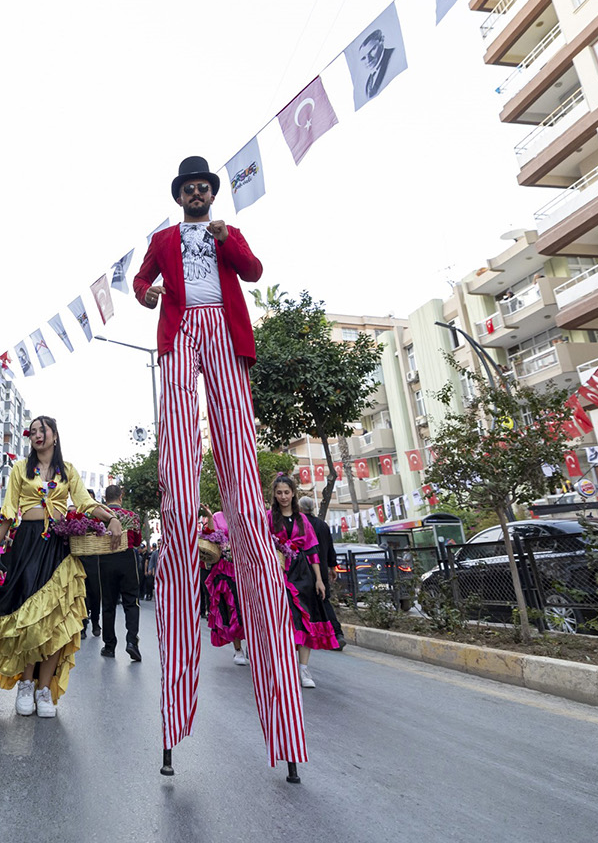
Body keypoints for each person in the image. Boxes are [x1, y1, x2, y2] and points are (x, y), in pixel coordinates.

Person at [134, 156, 306, 781]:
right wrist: (146, 292)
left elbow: (256, 274)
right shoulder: (162, 240)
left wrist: (231, 240)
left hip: (227, 337)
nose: (198, 193)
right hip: (180, 333)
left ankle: (282, 719)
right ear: (179, 195)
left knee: (237, 451)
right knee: (179, 463)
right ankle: (174, 716)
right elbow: (141, 282)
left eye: (205, 186)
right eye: (190, 188)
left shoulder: (226, 234)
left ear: (211, 193)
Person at [0, 417, 122, 719]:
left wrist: (111, 518)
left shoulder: (68, 471)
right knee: (29, 617)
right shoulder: (19, 470)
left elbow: (85, 502)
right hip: (26, 546)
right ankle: (25, 685)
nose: (37, 435)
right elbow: (8, 512)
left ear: (55, 436)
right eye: (33, 431)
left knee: (56, 619)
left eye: (43, 430)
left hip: (58, 547)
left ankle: (43, 689)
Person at [270, 476, 338, 690]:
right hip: (278, 574)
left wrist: (319, 579)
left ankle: (303, 668)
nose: (283, 496)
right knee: (285, 621)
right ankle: (284, 667)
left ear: (293, 494)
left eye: (286, 492)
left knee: (305, 621)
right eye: (279, 492)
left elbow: (312, 551)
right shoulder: (268, 518)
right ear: (274, 494)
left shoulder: (303, 520)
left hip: (303, 575)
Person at [97, 484, 142, 662]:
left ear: (105, 498)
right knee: (131, 602)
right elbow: (137, 541)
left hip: (106, 559)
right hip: (127, 558)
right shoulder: (132, 516)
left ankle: (109, 646)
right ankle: (132, 642)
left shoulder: (99, 516)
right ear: (120, 497)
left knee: (108, 603)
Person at [200, 507, 246, 666]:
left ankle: (255, 647)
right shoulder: (218, 516)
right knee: (230, 607)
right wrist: (210, 517)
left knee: (249, 609)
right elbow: (212, 536)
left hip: (246, 568)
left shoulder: (246, 515)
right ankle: (238, 649)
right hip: (225, 568)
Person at [299, 495, 344, 651]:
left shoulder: (300, 523)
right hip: (322, 570)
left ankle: (310, 635)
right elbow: (330, 547)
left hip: (303, 571)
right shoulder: (322, 525)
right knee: (324, 602)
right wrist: (332, 567)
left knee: (303, 604)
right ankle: (337, 634)